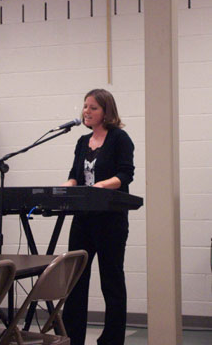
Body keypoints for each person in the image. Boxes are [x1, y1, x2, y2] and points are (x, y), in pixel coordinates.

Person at [62, 89, 135, 345]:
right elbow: (74, 174)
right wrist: (66, 186)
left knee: (111, 280)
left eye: (93, 107)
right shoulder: (82, 142)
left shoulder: (119, 139)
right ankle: (73, 338)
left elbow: (125, 175)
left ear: (106, 111)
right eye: (85, 106)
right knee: (76, 280)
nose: (86, 111)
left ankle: (111, 340)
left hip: (111, 220)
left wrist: (101, 186)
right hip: (83, 219)